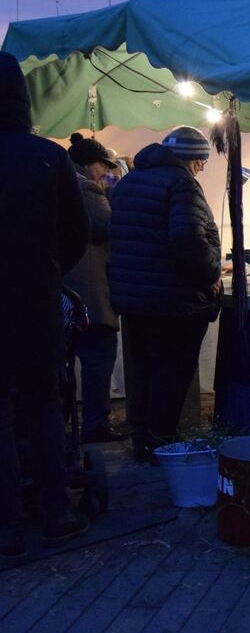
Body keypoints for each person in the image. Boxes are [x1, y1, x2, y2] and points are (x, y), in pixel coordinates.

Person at [0, 52, 91, 556]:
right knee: (44, 404)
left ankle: (6, 522)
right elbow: (76, 233)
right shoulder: (47, 157)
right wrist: (49, 269)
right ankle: (55, 510)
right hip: (35, 297)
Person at [109, 126, 222, 463]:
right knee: (171, 375)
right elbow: (188, 241)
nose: (201, 169)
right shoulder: (181, 183)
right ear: (195, 160)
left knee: (143, 372)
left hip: (134, 299)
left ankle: (142, 442)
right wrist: (211, 273)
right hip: (173, 301)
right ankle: (163, 445)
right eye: (202, 162)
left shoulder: (130, 182)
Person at [64, 133, 128, 443]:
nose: (107, 173)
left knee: (63, 366)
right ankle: (95, 425)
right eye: (105, 167)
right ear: (90, 165)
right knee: (97, 361)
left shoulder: (57, 184)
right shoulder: (87, 189)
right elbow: (107, 228)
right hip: (88, 295)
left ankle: (63, 424)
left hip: (61, 294)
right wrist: (113, 195)